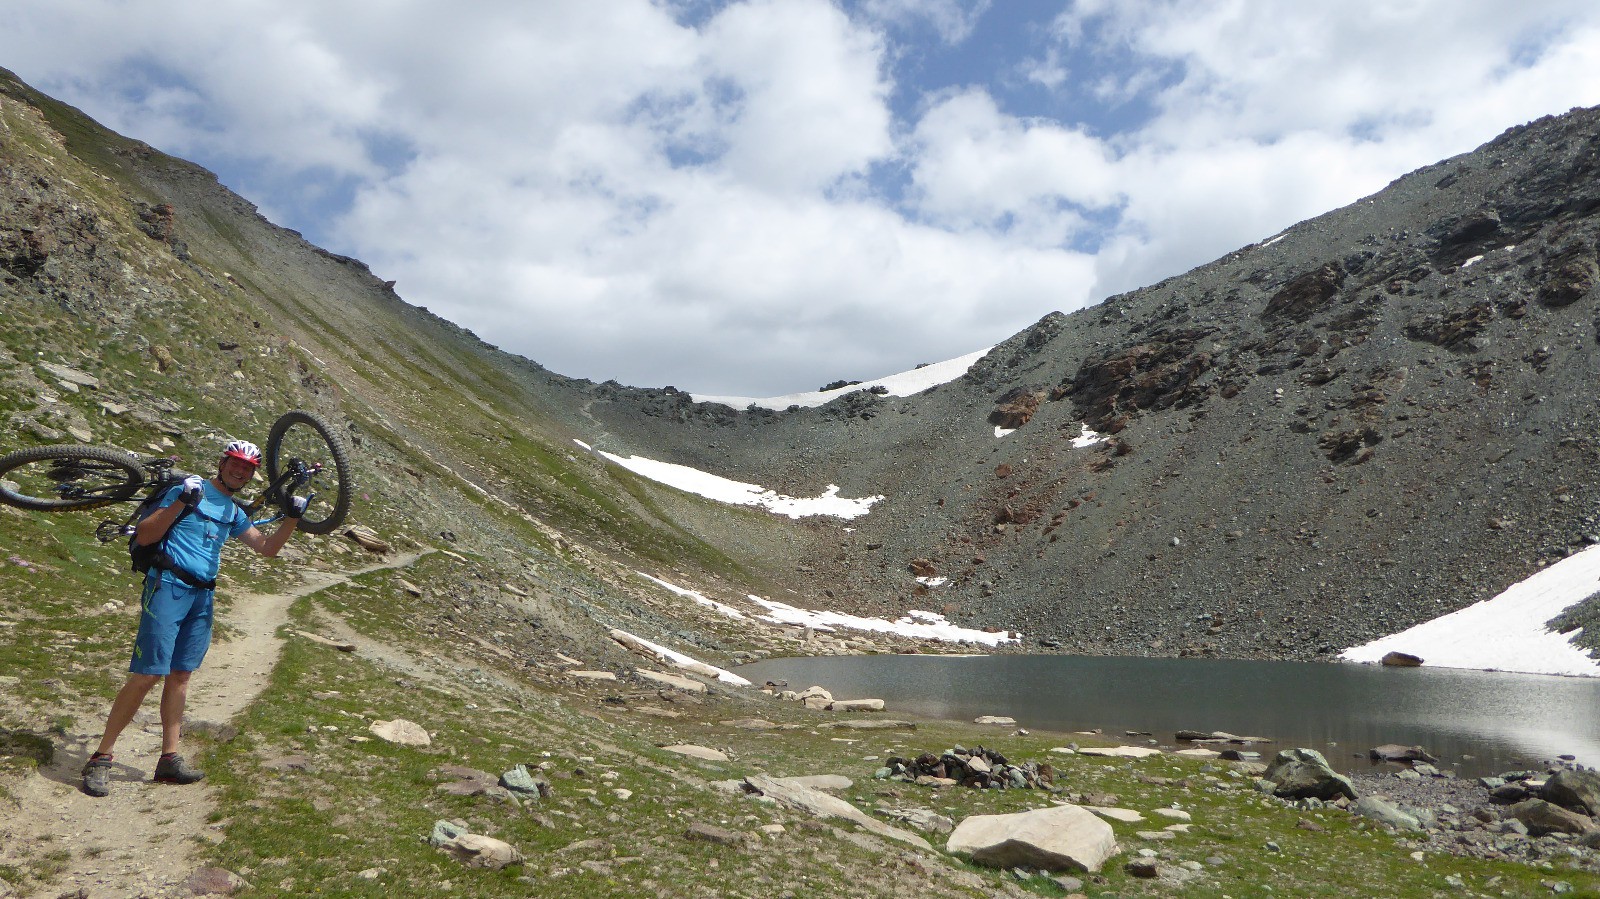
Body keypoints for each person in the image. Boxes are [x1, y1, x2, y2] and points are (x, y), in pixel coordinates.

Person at [81, 439, 307, 797]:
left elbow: (268, 549)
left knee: (181, 675)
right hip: (168, 586)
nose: (240, 471)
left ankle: (169, 759)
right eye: (235, 463)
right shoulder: (189, 490)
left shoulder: (233, 512)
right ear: (222, 463)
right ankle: (101, 757)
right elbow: (147, 533)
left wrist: (293, 518)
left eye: (247, 468)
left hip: (202, 596)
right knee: (146, 676)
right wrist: (183, 501)